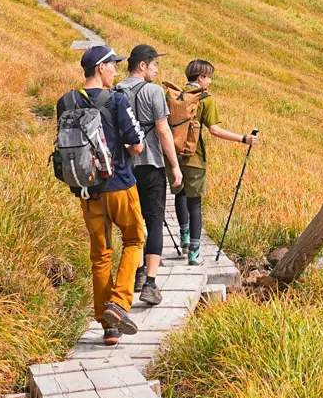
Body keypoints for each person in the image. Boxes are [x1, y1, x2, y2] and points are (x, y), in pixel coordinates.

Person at [57, 44, 145, 344]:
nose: (116, 70)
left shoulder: (65, 102)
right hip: (120, 184)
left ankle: (108, 327)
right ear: (100, 68)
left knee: (101, 255)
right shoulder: (117, 100)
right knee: (134, 240)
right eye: (113, 65)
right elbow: (136, 145)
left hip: (86, 190)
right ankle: (119, 304)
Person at [169, 58, 258, 265]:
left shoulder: (174, 94)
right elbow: (215, 130)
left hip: (173, 156)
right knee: (195, 204)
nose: (210, 82)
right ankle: (194, 253)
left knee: (180, 195)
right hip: (195, 158)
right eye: (209, 78)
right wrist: (243, 139)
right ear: (200, 78)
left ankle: (183, 241)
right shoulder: (205, 99)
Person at [116, 44, 183, 305]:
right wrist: (174, 166)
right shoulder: (154, 91)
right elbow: (164, 131)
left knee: (133, 223)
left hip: (124, 168)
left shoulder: (116, 91)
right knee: (154, 221)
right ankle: (151, 284)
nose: (157, 70)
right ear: (142, 66)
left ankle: (137, 273)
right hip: (152, 164)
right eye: (154, 64)